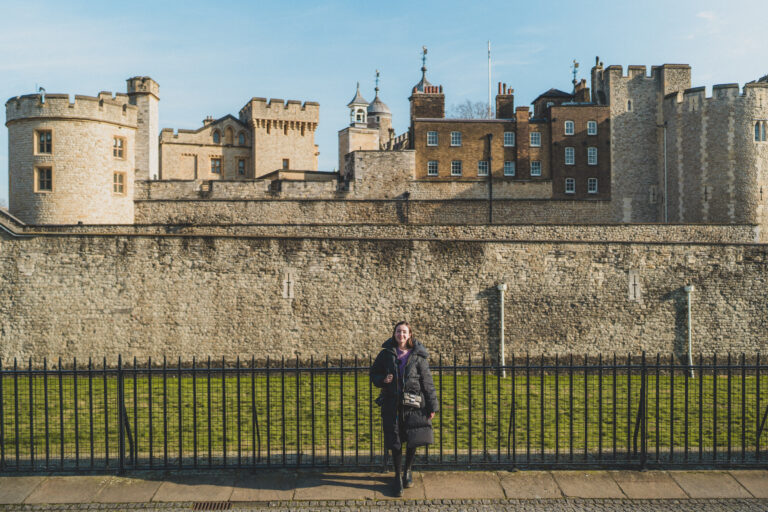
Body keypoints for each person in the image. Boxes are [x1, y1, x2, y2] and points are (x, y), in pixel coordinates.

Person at [370, 321, 438, 496]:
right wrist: (383, 380)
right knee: (396, 441)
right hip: (392, 404)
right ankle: (397, 476)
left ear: (409, 335)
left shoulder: (418, 355)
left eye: (404, 332)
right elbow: (374, 373)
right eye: (398, 331)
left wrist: (432, 406)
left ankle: (407, 471)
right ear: (394, 334)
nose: (401, 335)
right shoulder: (386, 354)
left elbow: (427, 383)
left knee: (412, 438)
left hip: (414, 405)